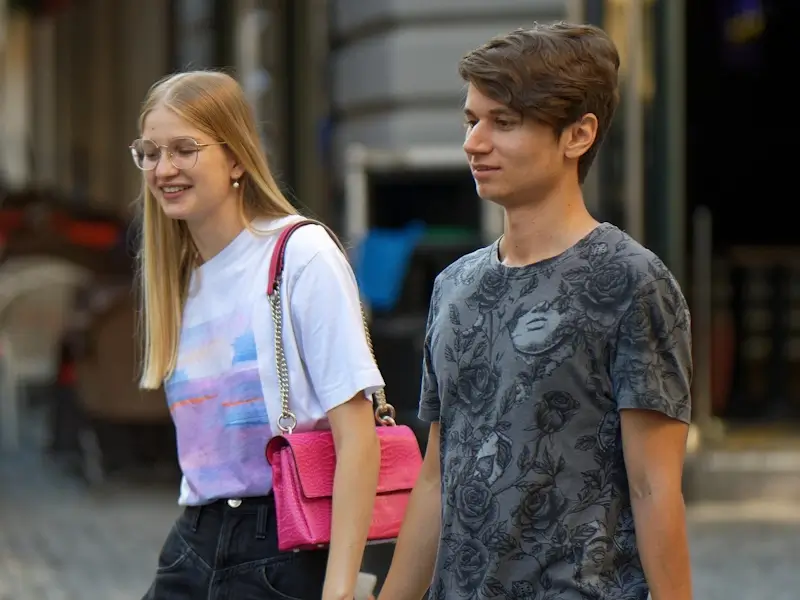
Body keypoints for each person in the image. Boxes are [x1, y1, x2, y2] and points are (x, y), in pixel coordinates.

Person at [378, 22, 693, 600]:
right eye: (471, 120)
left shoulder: (631, 281)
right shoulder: (454, 288)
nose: (475, 141)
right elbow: (435, 479)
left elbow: (655, 489)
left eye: (503, 122)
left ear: (578, 135)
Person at [133, 70, 383, 600]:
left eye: (184, 149)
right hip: (191, 542)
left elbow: (358, 440)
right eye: (150, 153)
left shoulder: (300, 253)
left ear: (237, 158)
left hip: (284, 544)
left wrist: (339, 591)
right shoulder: (177, 277)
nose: (164, 168)